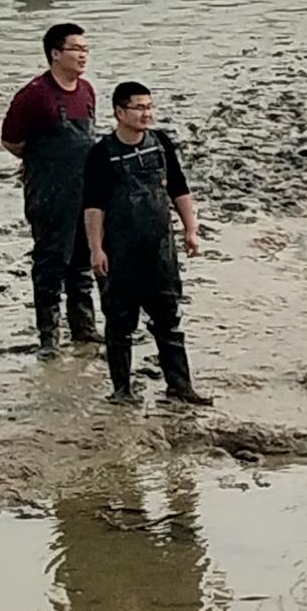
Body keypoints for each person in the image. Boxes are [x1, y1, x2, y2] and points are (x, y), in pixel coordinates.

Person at [80, 81, 212, 407]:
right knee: (120, 323)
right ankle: (122, 390)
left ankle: (180, 387)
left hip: (160, 249)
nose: (146, 114)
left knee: (168, 319)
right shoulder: (101, 153)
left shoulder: (160, 142)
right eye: (139, 107)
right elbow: (93, 205)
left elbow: (178, 188)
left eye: (149, 107)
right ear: (119, 112)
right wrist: (96, 249)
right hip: (119, 252)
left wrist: (191, 230)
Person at [0, 22, 102, 354]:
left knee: (82, 263)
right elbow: (11, 141)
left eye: (86, 50)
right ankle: (48, 336)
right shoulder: (35, 95)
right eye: (76, 49)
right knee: (49, 264)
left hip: (85, 191)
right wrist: (41, 163)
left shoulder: (86, 91)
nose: (83, 56)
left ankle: (84, 329)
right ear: (55, 54)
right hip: (48, 193)